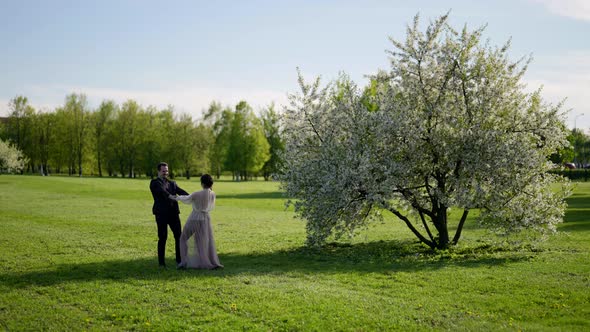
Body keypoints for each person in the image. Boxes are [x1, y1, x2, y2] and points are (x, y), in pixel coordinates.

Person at [170, 174, 223, 270]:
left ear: (202, 183)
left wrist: (174, 197)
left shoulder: (197, 194)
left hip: (195, 217)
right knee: (202, 242)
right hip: (206, 218)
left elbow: (186, 199)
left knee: (183, 238)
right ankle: (206, 262)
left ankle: (183, 262)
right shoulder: (212, 194)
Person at [149, 162, 189, 268]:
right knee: (163, 237)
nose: (165, 173)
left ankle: (179, 260)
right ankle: (161, 263)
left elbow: (181, 192)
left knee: (178, 236)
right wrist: (172, 197)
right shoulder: (154, 183)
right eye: (163, 171)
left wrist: (192, 197)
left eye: (167, 171)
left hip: (173, 213)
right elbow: (162, 192)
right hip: (161, 214)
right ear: (158, 171)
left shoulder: (172, 183)